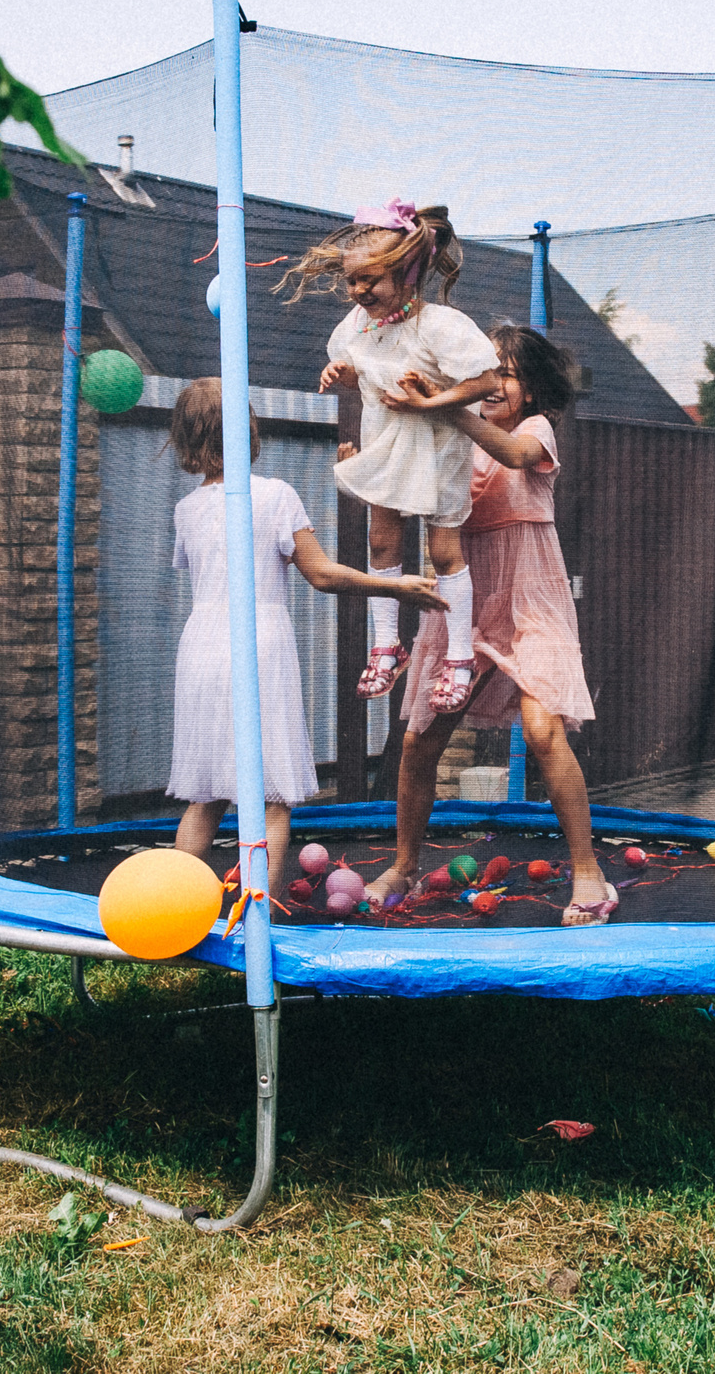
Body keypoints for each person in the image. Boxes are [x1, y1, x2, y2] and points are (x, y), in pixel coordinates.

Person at [368, 326, 612, 926]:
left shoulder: (534, 431)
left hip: (532, 600)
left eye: (508, 373)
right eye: (487, 372)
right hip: (466, 602)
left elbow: (514, 457)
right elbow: (406, 489)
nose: (496, 383)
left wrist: (450, 409)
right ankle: (404, 865)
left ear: (531, 390)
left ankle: (589, 872)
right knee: (419, 739)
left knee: (542, 730)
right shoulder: (454, 441)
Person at [165, 380, 445, 901]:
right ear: (247, 430)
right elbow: (321, 575)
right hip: (257, 643)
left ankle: (170, 906)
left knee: (205, 797)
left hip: (201, 645)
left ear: (184, 439)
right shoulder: (274, 495)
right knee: (272, 798)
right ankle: (259, 920)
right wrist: (393, 585)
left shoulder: (187, 508)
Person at [291, 199, 502, 715]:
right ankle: (388, 644)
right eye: (353, 281)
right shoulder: (356, 329)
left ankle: (458, 657)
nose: (360, 291)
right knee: (381, 540)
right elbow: (358, 368)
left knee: (444, 550)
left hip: (435, 448)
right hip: (385, 441)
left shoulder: (441, 326)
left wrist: (429, 400)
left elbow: (487, 381)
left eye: (372, 279)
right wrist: (342, 375)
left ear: (406, 273)